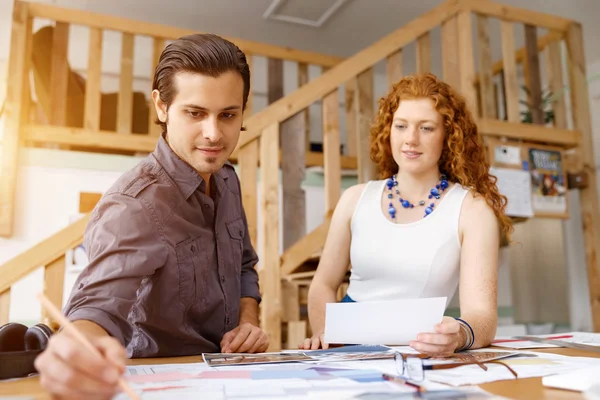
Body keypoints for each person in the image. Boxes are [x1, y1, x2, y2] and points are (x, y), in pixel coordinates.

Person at [34, 33, 269, 399]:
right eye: (195, 113)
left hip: (231, 380)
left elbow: (244, 267)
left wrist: (248, 322)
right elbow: (96, 309)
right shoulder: (132, 205)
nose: (214, 134)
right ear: (161, 107)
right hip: (158, 387)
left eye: (228, 115)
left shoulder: (228, 179)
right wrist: (77, 351)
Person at [300, 73, 513, 356]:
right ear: (389, 131)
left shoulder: (472, 210)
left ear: (448, 135)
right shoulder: (355, 198)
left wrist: (460, 335)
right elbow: (323, 285)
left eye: (426, 128)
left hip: (419, 350)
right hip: (345, 349)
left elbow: (482, 316)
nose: (411, 139)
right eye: (401, 126)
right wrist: (326, 335)